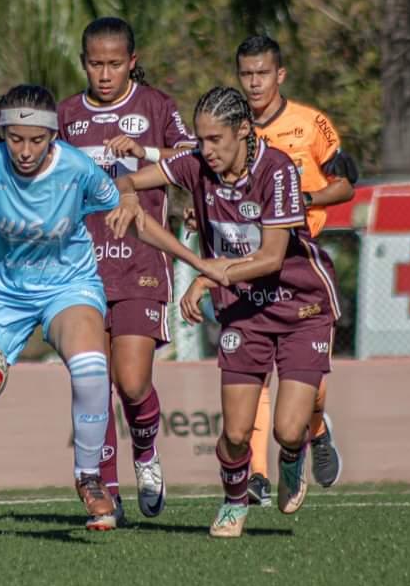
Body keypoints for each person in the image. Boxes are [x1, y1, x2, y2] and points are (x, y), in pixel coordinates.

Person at [0, 84, 232, 542]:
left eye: (36, 140)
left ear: (52, 137)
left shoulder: (77, 168)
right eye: (15, 139)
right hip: (1, 298)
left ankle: (89, 476)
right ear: (3, 135)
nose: (25, 150)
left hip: (69, 288)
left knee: (90, 367)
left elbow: (139, 221)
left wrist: (198, 262)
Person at [107, 86, 342, 538]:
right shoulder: (194, 162)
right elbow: (128, 178)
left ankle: (296, 453)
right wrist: (129, 195)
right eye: (201, 139)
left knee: (288, 432)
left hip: (300, 306)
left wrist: (206, 275)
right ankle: (235, 502)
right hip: (243, 310)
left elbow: (272, 258)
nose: (206, 149)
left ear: (243, 132)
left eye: (216, 139)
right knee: (235, 435)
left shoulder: (275, 170)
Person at [57, 17, 198, 525]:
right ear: (83, 63)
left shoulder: (156, 106)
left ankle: (146, 454)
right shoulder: (67, 116)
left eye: (115, 63)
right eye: (96, 63)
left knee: (132, 381)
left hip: (139, 264)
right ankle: (106, 492)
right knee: (94, 382)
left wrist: (147, 152)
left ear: (132, 62)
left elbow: (197, 155)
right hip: (80, 270)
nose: (105, 73)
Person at [235, 34, 357, 504]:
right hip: (250, 262)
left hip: (302, 262)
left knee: (309, 388)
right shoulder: (233, 125)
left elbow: (345, 184)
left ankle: (318, 430)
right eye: (246, 74)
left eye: (262, 73)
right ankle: (258, 476)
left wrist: (302, 199)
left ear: (279, 75)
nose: (254, 83)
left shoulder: (311, 124)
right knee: (254, 371)